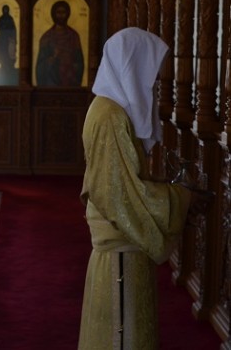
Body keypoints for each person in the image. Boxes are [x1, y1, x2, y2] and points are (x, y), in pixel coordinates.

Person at [78, 27, 198, 349]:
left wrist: (162, 187)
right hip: (120, 254)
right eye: (149, 73)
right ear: (131, 67)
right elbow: (119, 197)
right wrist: (182, 197)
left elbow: (122, 180)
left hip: (125, 248)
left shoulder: (110, 111)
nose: (153, 83)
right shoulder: (110, 117)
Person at [35, 0, 84, 87]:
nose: (61, 15)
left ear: (68, 14)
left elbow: (79, 61)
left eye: (63, 12)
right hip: (51, 81)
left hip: (69, 80)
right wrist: (53, 58)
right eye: (58, 12)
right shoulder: (47, 37)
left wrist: (70, 64)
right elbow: (41, 65)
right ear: (53, 14)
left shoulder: (73, 36)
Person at [0, 4, 17, 70]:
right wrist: (3, 27)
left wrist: (13, 37)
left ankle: (9, 65)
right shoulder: (1, 18)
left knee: (9, 52)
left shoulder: (10, 18)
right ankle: (3, 64)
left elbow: (13, 29)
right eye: (4, 9)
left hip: (9, 38)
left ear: (8, 10)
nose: (5, 11)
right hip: (2, 38)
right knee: (2, 51)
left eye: (6, 9)